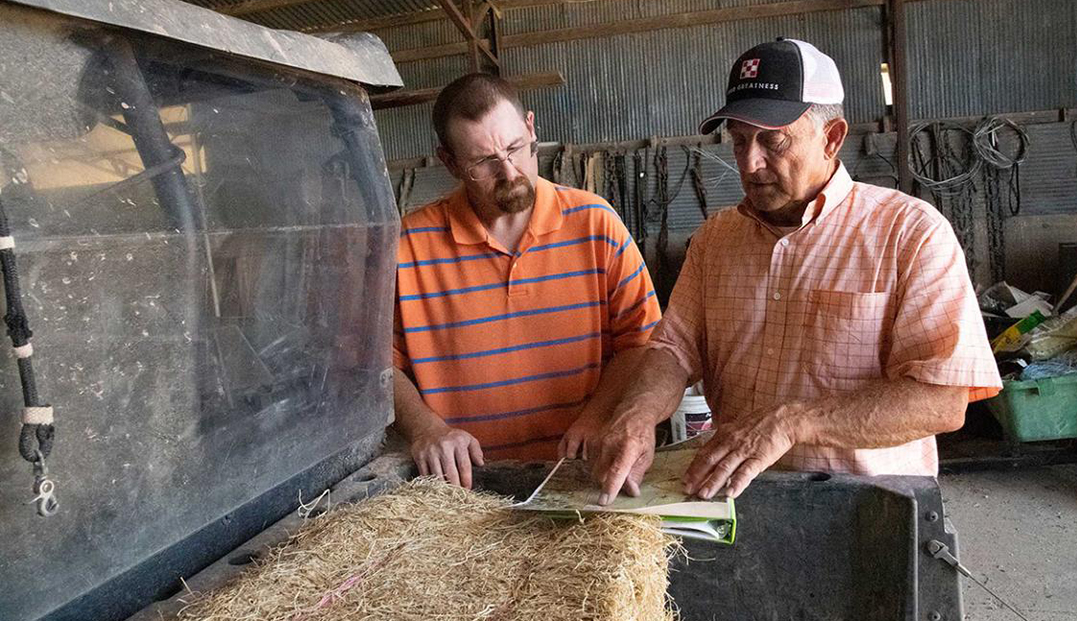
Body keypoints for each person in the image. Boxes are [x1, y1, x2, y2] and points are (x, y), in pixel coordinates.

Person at [591, 38, 1001, 504]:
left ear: (832, 138)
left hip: (867, 509)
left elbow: (942, 401)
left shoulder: (910, 234)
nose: (749, 162)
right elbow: (673, 351)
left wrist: (792, 422)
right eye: (739, 140)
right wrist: (637, 414)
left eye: (774, 139)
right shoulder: (715, 240)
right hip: (735, 501)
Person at [392, 73, 661, 488]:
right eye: (483, 161)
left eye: (516, 148)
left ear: (532, 127)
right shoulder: (407, 246)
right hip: (464, 489)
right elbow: (377, 368)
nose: (510, 171)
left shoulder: (596, 224)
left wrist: (597, 416)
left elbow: (641, 342)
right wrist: (425, 429)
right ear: (449, 162)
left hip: (577, 477)